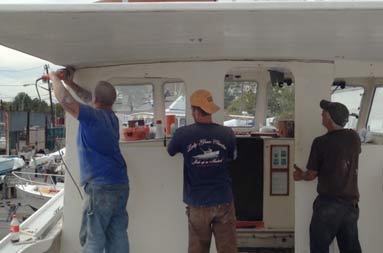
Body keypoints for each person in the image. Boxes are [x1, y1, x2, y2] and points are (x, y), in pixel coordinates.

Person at [49, 68, 129, 253]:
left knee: (93, 238)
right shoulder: (112, 118)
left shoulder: (93, 117)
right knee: (118, 236)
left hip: (100, 188)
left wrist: (54, 78)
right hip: (121, 185)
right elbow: (87, 98)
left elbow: (65, 100)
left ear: (96, 101)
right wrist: (70, 83)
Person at [167, 89, 237, 253]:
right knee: (228, 249)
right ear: (210, 109)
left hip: (197, 203)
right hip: (223, 200)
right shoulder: (227, 133)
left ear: (196, 111)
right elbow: (232, 156)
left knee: (197, 250)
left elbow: (171, 150)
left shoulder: (182, 134)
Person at [294, 99, 362, 253]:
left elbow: (311, 175)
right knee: (351, 249)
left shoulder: (320, 142)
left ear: (330, 119)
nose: (322, 114)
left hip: (328, 205)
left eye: (324, 113)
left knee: (319, 248)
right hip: (351, 206)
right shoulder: (354, 138)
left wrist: (299, 175)